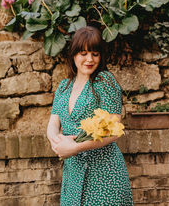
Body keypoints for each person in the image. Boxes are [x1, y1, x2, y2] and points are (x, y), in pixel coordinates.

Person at [47, 26, 134, 206]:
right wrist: (57, 142)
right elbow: (53, 122)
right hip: (73, 173)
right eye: (84, 53)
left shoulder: (104, 82)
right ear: (73, 55)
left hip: (104, 173)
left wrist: (74, 148)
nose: (89, 59)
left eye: (95, 54)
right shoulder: (64, 87)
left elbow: (114, 130)